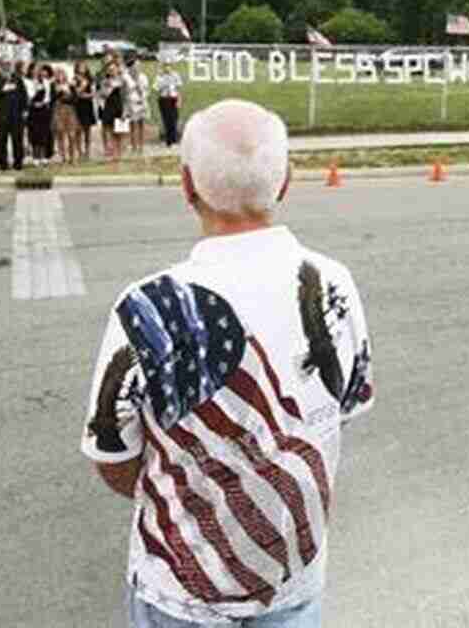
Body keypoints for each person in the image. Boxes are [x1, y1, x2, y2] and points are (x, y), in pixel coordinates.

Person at [81, 99, 374, 628]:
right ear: (285, 181)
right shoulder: (335, 284)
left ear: (186, 186)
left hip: (178, 593)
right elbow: (342, 407)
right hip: (294, 585)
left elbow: (112, 456)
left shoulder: (146, 307)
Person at [0, 59, 28, 171]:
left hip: (16, 113)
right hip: (1, 114)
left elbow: (23, 94)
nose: (7, 66)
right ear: (0, 65)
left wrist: (24, 109)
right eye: (4, 64)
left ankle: (18, 162)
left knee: (17, 139)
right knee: (1, 139)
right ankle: (3, 163)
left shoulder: (16, 77)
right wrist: (2, 90)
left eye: (8, 64)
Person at [52, 67, 81, 166]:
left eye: (62, 74)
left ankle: (73, 157)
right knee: (60, 134)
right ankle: (63, 157)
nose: (60, 76)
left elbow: (76, 99)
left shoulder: (70, 85)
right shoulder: (53, 85)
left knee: (72, 135)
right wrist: (59, 92)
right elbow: (53, 99)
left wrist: (67, 95)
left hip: (70, 110)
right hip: (59, 110)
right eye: (58, 74)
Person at [27, 64, 54, 167]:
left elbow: (48, 96)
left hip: (43, 110)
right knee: (34, 134)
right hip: (32, 110)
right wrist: (33, 103)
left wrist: (43, 103)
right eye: (35, 70)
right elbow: (27, 96)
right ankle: (35, 157)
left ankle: (43, 157)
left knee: (44, 134)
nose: (37, 72)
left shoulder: (46, 82)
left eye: (38, 70)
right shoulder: (28, 82)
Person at [124, 55, 151, 155]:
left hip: (142, 102)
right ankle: (133, 146)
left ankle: (141, 146)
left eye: (139, 65)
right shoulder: (126, 77)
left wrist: (143, 97)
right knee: (132, 124)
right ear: (131, 66)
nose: (138, 67)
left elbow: (147, 90)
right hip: (131, 103)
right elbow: (124, 91)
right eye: (136, 65)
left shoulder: (143, 76)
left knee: (141, 124)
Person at [100, 61, 126, 162]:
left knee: (119, 132)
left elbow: (125, 96)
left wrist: (125, 111)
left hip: (120, 107)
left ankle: (119, 153)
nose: (112, 71)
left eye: (114, 69)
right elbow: (103, 95)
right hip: (109, 107)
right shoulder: (105, 81)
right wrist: (109, 87)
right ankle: (113, 153)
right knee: (109, 130)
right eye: (110, 70)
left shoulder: (123, 80)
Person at [155, 62, 183, 147]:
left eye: (169, 66)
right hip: (164, 99)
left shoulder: (175, 75)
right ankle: (168, 141)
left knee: (174, 119)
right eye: (165, 66)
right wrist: (161, 80)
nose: (167, 68)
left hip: (173, 98)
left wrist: (179, 99)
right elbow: (156, 88)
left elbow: (179, 88)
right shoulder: (160, 77)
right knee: (166, 120)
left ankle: (174, 140)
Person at [73, 62, 97, 160]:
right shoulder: (75, 79)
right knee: (78, 130)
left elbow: (93, 93)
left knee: (87, 130)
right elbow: (76, 92)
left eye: (84, 66)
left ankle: (87, 151)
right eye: (80, 67)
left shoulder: (90, 79)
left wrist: (86, 94)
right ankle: (79, 151)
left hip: (88, 106)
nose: (82, 68)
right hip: (78, 106)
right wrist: (82, 87)